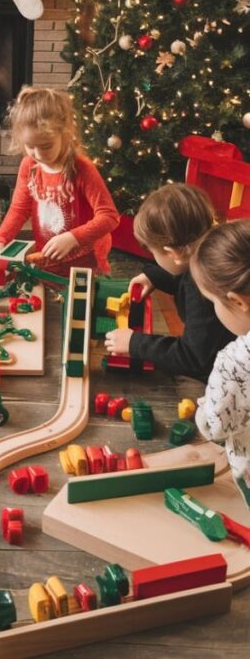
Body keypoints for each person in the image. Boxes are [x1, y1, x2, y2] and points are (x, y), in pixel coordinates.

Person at [105, 183, 234, 380]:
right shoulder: (212, 246)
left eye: (153, 252)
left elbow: (192, 358)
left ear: (173, 253)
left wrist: (135, 343)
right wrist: (155, 276)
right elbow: (180, 271)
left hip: (224, 377)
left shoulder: (202, 288)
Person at [0, 86, 119, 275]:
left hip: (87, 263)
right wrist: (0, 239)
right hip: (49, 260)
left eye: (46, 146)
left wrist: (73, 238)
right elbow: (19, 209)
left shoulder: (81, 168)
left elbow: (109, 216)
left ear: (65, 132)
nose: (38, 154)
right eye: (30, 146)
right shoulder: (29, 166)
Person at [190, 220, 250, 505]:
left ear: (238, 302)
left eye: (213, 301)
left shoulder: (235, 362)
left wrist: (203, 408)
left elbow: (215, 427)